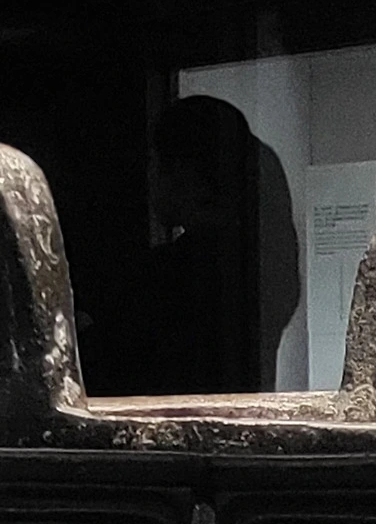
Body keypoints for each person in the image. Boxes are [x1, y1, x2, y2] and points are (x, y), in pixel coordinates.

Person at [84, 95, 300, 396]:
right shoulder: (253, 265)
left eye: (157, 162)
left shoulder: (172, 276)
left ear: (184, 171)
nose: (150, 176)